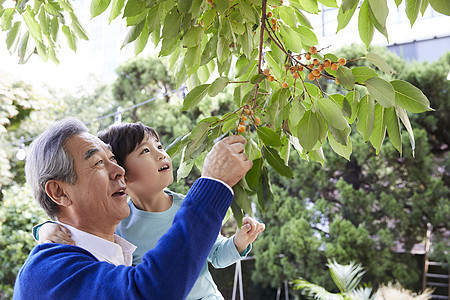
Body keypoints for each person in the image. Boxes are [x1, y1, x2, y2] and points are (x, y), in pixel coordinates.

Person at [13, 117, 252, 299]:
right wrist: (213, 184)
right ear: (60, 192)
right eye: (97, 163)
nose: (119, 172)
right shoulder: (47, 271)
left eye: (113, 159)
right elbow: (148, 290)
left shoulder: (117, 257)